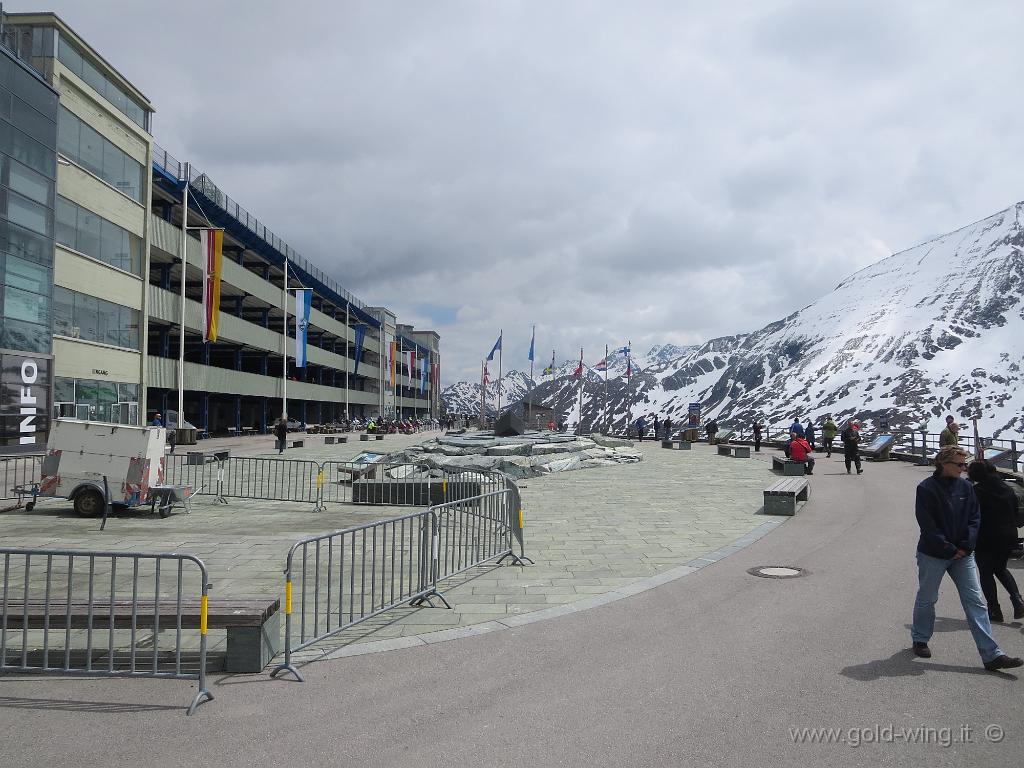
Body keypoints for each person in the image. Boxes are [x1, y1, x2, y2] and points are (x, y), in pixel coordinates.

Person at [910, 446, 1022, 671]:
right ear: (943, 464)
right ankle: (920, 638)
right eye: (959, 465)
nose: (964, 469)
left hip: (963, 555)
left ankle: (992, 655)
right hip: (934, 554)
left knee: (976, 602)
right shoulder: (926, 489)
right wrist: (950, 548)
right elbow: (928, 525)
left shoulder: (966, 488)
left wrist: (965, 545)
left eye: (965, 464)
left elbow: (975, 517)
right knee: (928, 598)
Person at [968, 460, 1024, 622]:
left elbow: (972, 515)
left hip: (986, 537)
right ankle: (1017, 601)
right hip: (1008, 535)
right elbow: (1015, 512)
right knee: (1000, 568)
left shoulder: (977, 491)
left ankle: (994, 610)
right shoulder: (1006, 488)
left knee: (986, 573)